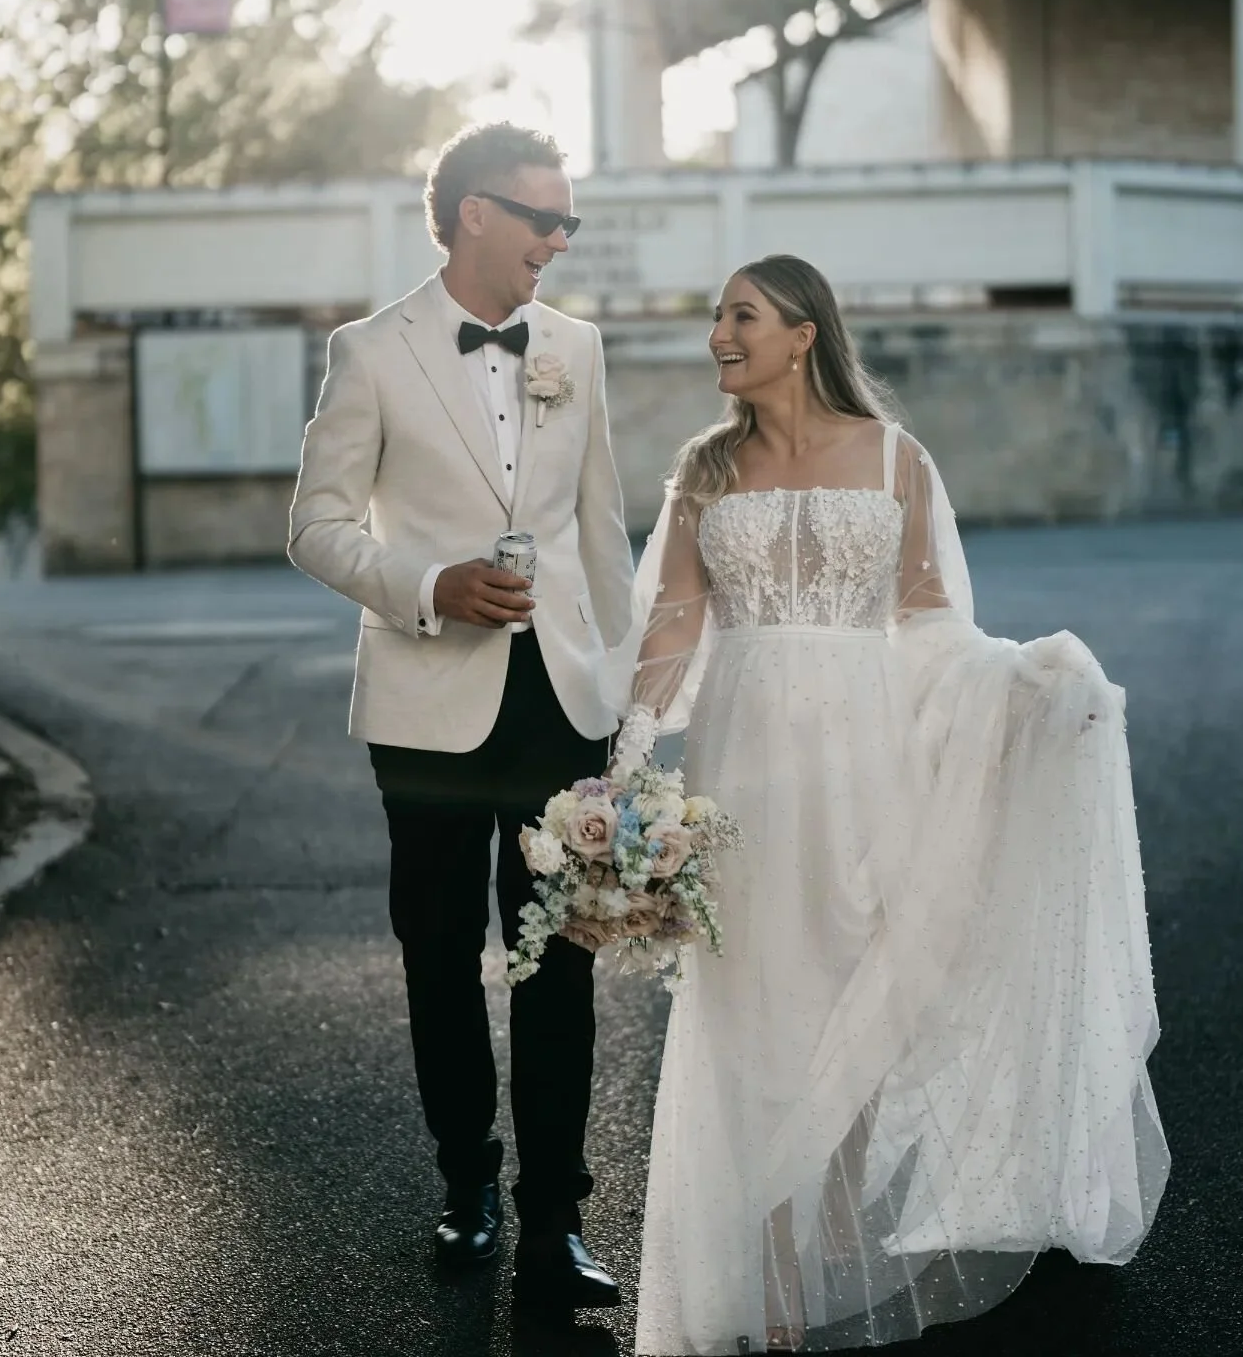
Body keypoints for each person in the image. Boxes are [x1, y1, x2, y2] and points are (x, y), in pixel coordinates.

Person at [607, 254, 1170, 1355]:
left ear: (805, 332)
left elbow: (928, 621)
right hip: (748, 769)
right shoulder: (705, 468)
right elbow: (670, 629)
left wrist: (1021, 690)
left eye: (743, 316)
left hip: (868, 761)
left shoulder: (894, 457)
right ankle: (768, 1278)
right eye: (720, 317)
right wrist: (622, 781)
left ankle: (823, 1244)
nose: (720, 334)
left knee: (864, 997)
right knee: (753, 1009)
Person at [288, 123, 635, 1309]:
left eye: (567, 222)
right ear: (472, 214)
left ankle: (556, 1222)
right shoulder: (370, 352)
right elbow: (317, 527)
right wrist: (426, 587)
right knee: (438, 957)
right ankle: (467, 1186)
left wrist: (620, 694)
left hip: (559, 704)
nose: (559, 239)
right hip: (425, 707)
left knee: (557, 967)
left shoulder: (578, 350)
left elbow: (603, 531)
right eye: (545, 217)